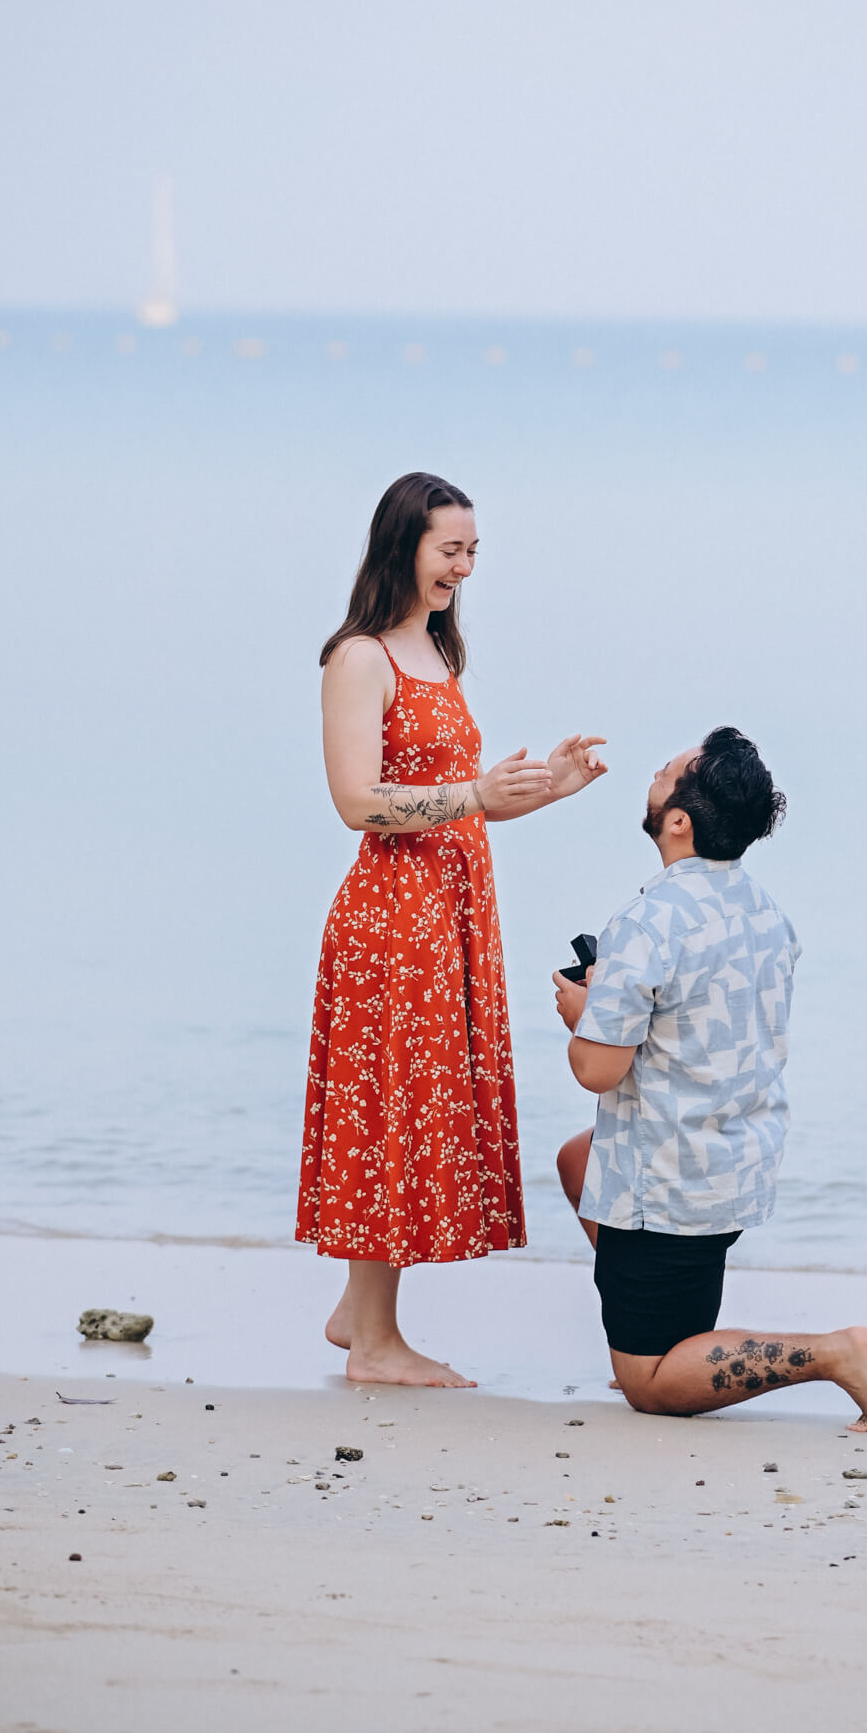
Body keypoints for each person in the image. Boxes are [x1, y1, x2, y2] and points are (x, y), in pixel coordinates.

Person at [298, 471, 606, 1387]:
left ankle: (359, 1314)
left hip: (451, 913)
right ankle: (378, 1346)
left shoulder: (437, 650)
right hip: (391, 922)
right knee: (389, 1110)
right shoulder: (359, 657)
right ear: (404, 545)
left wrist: (543, 787)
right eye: (450, 549)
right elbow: (357, 803)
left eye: (473, 551)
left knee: (414, 1104)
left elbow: (459, 810)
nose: (464, 568)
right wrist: (471, 792)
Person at [553, 729, 867, 1431]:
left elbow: (596, 1069)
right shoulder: (765, 910)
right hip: (735, 1157)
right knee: (578, 1160)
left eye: (666, 772)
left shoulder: (647, 922)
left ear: (678, 820)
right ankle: (654, 1325)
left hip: (669, 1178)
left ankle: (831, 1354)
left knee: (647, 1386)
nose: (654, 771)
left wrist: (585, 1014)